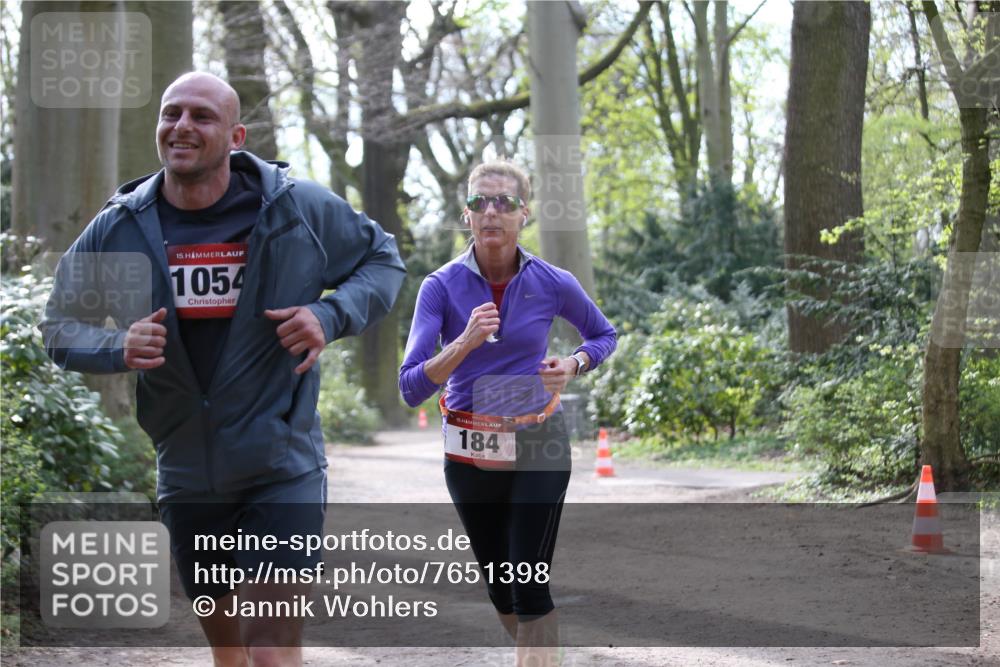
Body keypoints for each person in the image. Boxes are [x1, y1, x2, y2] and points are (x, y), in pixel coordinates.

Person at [40, 72, 406, 667]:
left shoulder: (295, 208)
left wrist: (330, 313)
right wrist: (117, 348)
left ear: (235, 136)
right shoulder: (121, 227)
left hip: (279, 459)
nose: (181, 126)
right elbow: (58, 326)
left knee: (270, 648)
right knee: (230, 651)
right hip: (186, 468)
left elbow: (383, 259)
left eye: (201, 116)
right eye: (171, 113)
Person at [398, 160, 616, 666]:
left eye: (504, 202)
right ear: (466, 216)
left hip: (537, 435)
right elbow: (410, 388)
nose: (491, 211)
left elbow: (603, 334)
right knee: (503, 593)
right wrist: (463, 343)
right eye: (479, 202)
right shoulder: (440, 286)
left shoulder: (552, 281)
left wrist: (574, 364)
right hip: (469, 446)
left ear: (525, 213)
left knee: (528, 586)